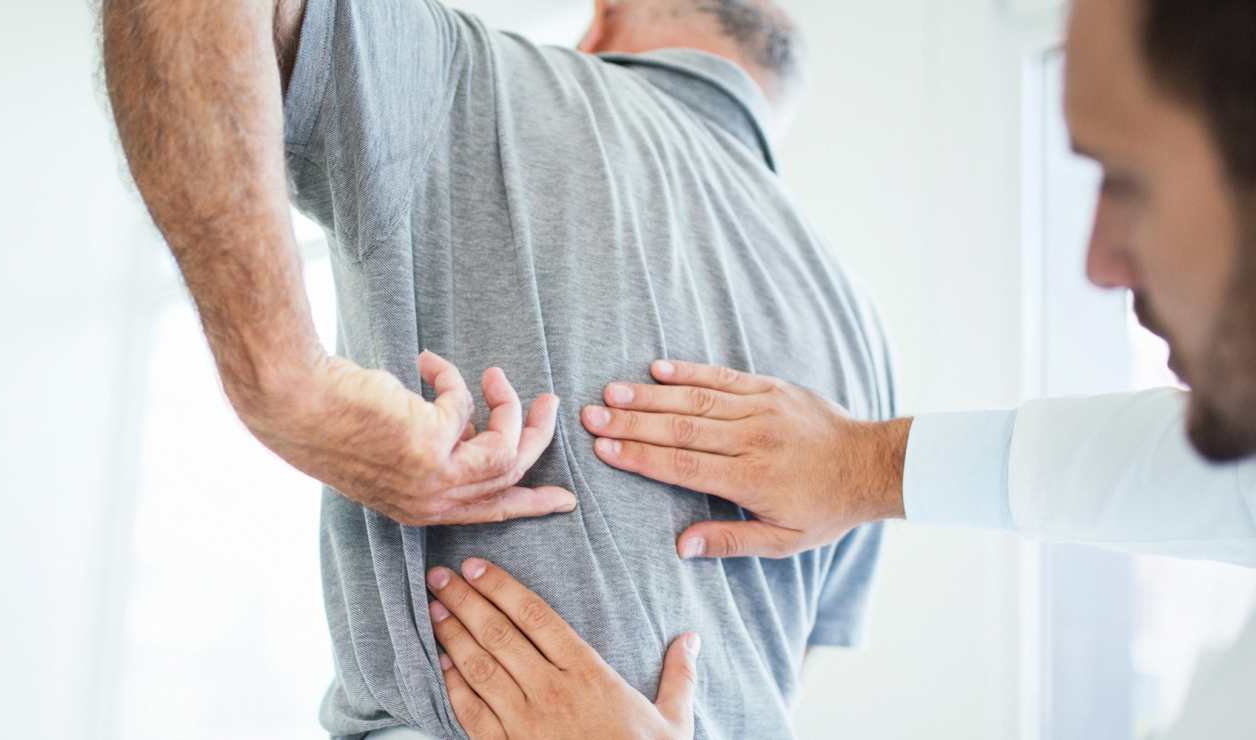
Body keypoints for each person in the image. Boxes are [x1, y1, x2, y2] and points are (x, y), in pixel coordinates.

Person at [425, 0, 1256, 737]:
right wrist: (872, 463)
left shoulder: (488, 88)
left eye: (1128, 179)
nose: (1097, 263)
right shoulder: (857, 321)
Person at [102, 0, 901, 738]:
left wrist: (284, 386)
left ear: (605, 17)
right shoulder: (864, 336)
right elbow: (783, 670)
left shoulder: (480, 82)